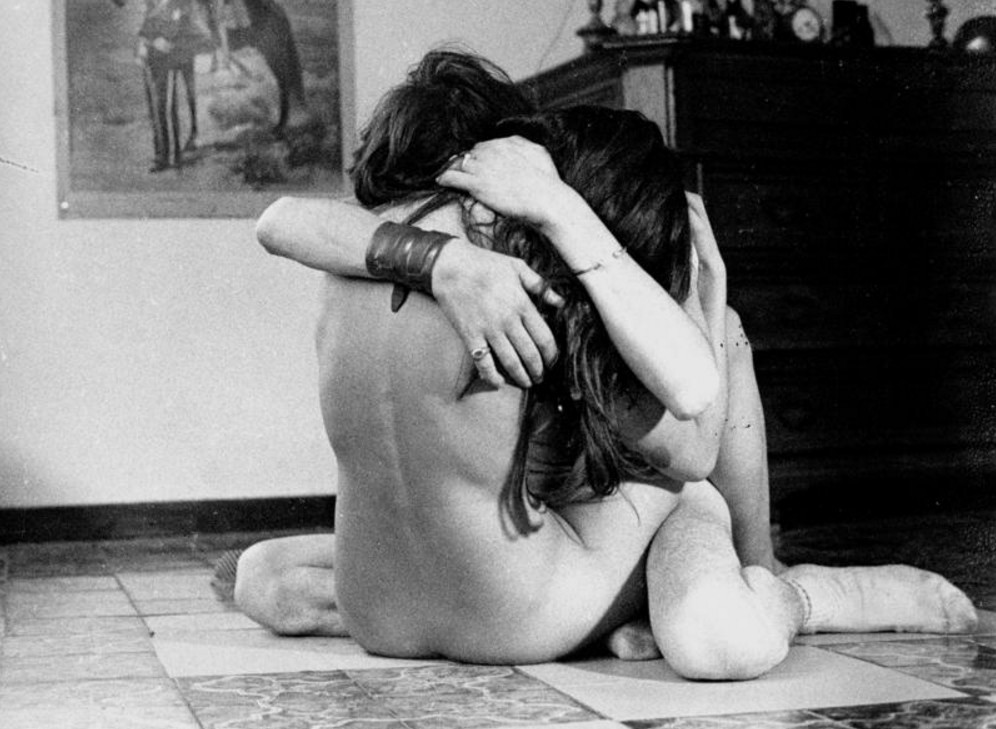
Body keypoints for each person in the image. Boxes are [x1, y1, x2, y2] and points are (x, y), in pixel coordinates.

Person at [238, 54, 978, 677]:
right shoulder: (506, 268)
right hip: (513, 624)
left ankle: (653, 603)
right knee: (692, 493)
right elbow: (693, 442)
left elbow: (279, 220)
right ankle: (784, 585)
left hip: (380, 618)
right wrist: (707, 297)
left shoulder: (352, 259)